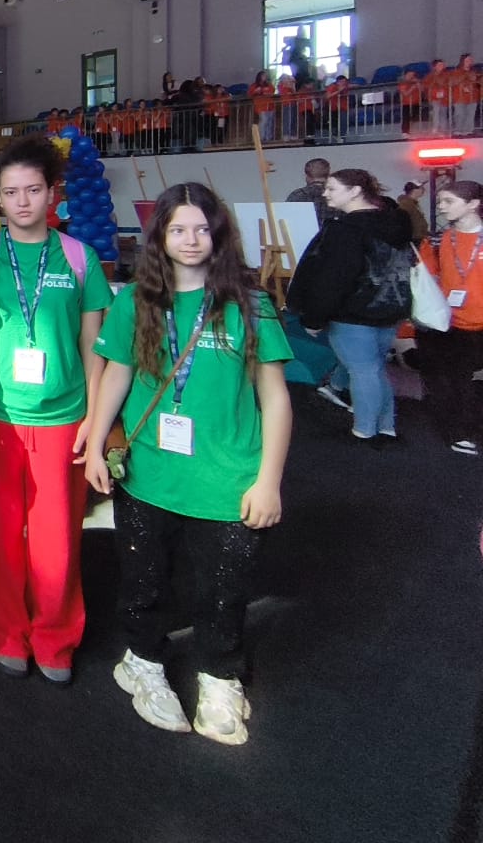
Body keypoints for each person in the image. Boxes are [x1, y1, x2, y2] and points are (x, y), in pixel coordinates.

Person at [86, 182, 292, 746]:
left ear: (218, 234)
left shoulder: (250, 305)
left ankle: (220, 675)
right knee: (143, 580)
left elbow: (275, 398)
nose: (191, 239)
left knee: (223, 589)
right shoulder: (136, 301)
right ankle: (142, 661)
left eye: (202, 228)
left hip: (227, 478)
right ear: (160, 237)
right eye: (178, 229)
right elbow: (117, 374)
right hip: (148, 475)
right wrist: (97, 444)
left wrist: (269, 481)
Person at [0, 135, 111, 684]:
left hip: (62, 419)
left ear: (53, 193)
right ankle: (7, 632)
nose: (23, 201)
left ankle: (55, 636)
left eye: (33, 190)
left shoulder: (78, 256)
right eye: (11, 192)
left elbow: (93, 346)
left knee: (57, 539)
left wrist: (94, 421)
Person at [287, 168, 412, 441]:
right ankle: (385, 426)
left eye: (332, 188)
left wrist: (314, 318)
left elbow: (333, 279)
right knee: (374, 369)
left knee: (363, 371)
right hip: (391, 307)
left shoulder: (345, 230)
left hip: (352, 313)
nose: (325, 193)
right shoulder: (396, 224)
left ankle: (364, 430)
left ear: (355, 191)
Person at [418, 181, 483, 455]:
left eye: (449, 201)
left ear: (473, 204)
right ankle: (461, 431)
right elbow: (426, 279)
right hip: (450, 324)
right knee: (456, 381)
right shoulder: (435, 241)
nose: (441, 207)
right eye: (440, 201)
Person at [285, 158, 340, 226]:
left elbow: (287, 221)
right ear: (328, 175)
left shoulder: (297, 195)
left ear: (307, 176)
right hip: (332, 232)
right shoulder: (337, 195)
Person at [454, 54, 480, 136]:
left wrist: (476, 79)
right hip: (460, 97)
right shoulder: (456, 71)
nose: (469, 62)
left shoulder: (474, 72)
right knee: (460, 114)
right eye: (467, 60)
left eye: (470, 60)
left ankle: (468, 131)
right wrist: (465, 76)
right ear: (462, 61)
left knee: (470, 115)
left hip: (472, 97)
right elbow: (454, 82)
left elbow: (478, 83)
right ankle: (458, 131)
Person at [250, 72, 277, 142]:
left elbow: (272, 91)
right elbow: (250, 94)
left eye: (266, 76)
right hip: (261, 106)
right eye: (263, 76)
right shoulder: (254, 85)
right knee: (264, 121)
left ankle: (269, 137)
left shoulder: (269, 85)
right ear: (259, 77)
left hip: (270, 106)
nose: (265, 77)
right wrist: (256, 91)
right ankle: (261, 137)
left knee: (270, 122)